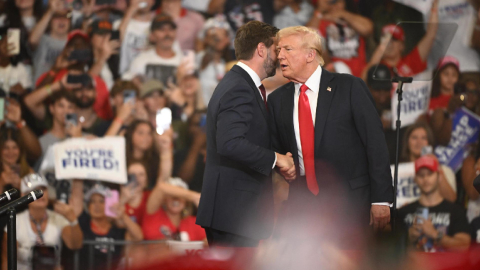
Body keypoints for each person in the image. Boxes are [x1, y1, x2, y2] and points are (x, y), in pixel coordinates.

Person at [269, 26, 393, 238]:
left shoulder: (350, 87)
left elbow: (375, 143)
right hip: (304, 211)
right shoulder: (277, 99)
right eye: (279, 50)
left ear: (310, 54)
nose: (279, 55)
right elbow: (277, 151)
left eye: (287, 49)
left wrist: (381, 199)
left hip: (352, 205)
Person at [196, 21, 295, 247]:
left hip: (234, 214)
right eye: (276, 49)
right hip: (233, 214)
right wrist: (275, 158)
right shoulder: (239, 87)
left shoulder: (240, 83)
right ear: (261, 49)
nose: (279, 57)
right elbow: (230, 143)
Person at [1, 174, 83, 270]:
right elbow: (6, 261)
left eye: (43, 189)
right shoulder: (15, 221)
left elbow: (75, 245)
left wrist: (72, 218)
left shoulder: (58, 218)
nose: (40, 194)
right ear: (23, 196)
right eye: (34, 191)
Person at [397, 156, 471, 252]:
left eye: (430, 173)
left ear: (439, 176)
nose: (426, 179)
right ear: (415, 179)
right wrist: (408, 237)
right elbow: (386, 251)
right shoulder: (404, 211)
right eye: (421, 175)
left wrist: (435, 234)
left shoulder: (455, 211)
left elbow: (464, 246)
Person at [361, 0, 439, 82]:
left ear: (402, 45)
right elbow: (363, 80)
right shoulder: (377, 68)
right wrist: (381, 49)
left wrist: (434, 8)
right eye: (385, 40)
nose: (389, 43)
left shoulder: (412, 61)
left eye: (394, 39)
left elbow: (431, 34)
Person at [77, 183, 143, 270]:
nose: (97, 205)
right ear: (88, 206)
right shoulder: (82, 225)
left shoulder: (117, 230)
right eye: (92, 201)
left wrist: (123, 216)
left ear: (109, 204)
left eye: (102, 201)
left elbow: (138, 237)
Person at [306, 0, 373, 77]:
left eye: (337, 1)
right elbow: (307, 37)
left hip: (360, 75)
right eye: (331, 2)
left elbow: (368, 29)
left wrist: (342, 14)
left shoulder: (353, 19)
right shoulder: (321, 21)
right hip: (334, 76)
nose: (335, 4)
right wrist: (319, 10)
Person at [398, 123, 457, 205]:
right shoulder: (396, 171)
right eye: (414, 137)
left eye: (424, 138)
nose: (419, 142)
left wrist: (438, 168)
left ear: (429, 142)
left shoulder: (444, 170)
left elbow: (451, 199)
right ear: (407, 142)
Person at [122, 13, 183, 88]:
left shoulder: (184, 62)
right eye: (162, 30)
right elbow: (126, 89)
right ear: (152, 36)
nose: (167, 34)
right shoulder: (141, 61)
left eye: (171, 29)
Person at [29, 0, 70, 82]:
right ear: (50, 20)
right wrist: (51, 11)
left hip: (65, 91)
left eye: (65, 17)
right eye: (57, 17)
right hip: (39, 91)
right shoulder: (42, 39)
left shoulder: (74, 42)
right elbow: (32, 41)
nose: (61, 20)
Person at [196, 15, 233, 105]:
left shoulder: (229, 64)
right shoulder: (200, 58)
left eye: (223, 34)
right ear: (206, 38)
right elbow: (205, 58)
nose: (218, 39)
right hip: (203, 112)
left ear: (228, 39)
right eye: (214, 36)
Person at [117, 0, 156, 75]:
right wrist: (131, 10)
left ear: (153, 1)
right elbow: (116, 42)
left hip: (150, 77)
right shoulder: (120, 24)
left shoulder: (159, 26)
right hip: (125, 77)